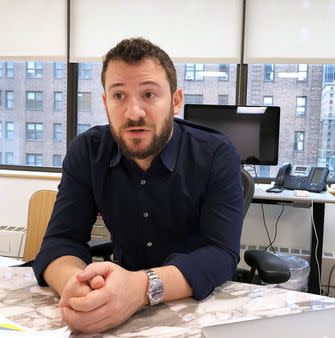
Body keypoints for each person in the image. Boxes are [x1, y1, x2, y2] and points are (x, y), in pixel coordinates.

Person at [33, 37, 244, 334]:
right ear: (106, 102)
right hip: (118, 304)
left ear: (175, 101)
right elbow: (60, 242)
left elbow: (221, 253)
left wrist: (142, 287)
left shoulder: (216, 154)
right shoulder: (88, 151)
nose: (134, 112)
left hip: (197, 310)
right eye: (119, 96)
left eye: (148, 94)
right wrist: (78, 286)